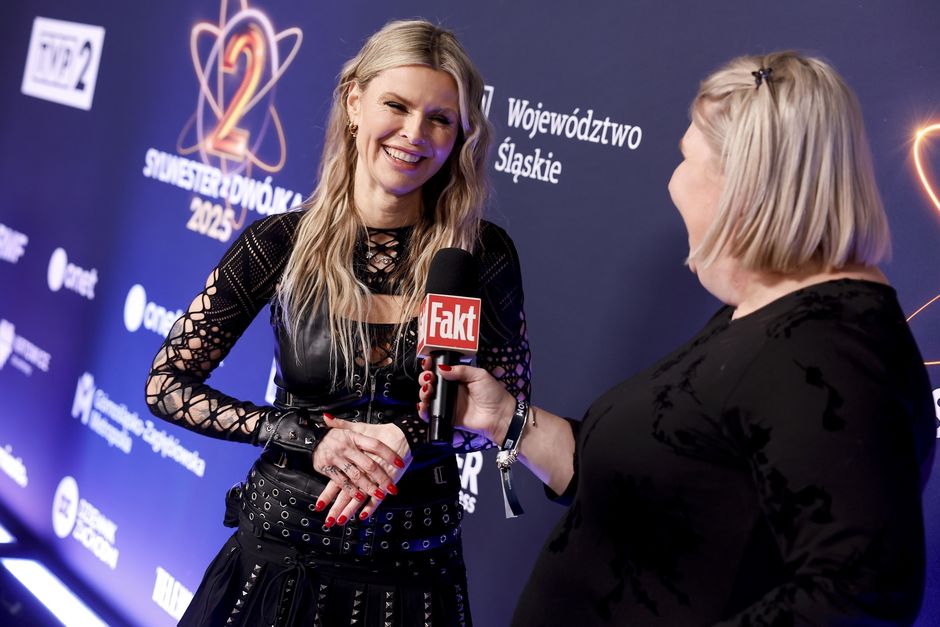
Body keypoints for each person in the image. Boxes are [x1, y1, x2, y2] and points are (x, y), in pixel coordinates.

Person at [418, 51, 936, 626]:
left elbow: (861, 592)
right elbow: (637, 486)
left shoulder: (830, 352)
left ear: (745, 188)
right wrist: (502, 419)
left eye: (688, 158)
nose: (673, 182)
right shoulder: (766, 313)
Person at [145, 19, 530, 627]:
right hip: (279, 559)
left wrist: (409, 435)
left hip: (414, 574)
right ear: (354, 103)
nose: (414, 134)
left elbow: (504, 410)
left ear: (460, 135)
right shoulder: (279, 243)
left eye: (439, 119)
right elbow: (166, 386)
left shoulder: (479, 256)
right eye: (396, 106)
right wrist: (306, 435)